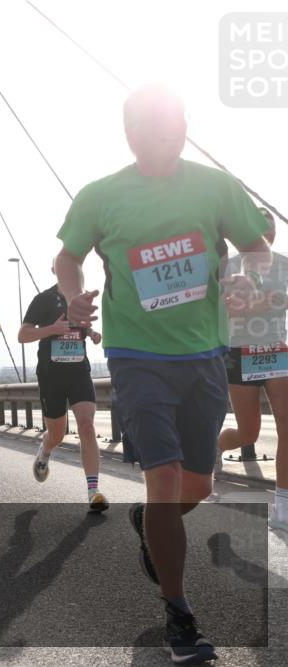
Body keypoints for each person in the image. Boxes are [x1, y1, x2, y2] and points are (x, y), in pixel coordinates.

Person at [55, 84, 271, 663]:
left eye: (178, 122)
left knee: (198, 485)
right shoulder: (101, 197)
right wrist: (72, 297)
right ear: (131, 134)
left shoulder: (215, 186)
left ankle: (151, 523)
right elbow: (66, 258)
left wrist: (249, 276)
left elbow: (257, 245)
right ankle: (179, 615)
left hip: (203, 354)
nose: (171, 133)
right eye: (157, 125)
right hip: (136, 356)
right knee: (167, 478)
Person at [219, 207, 288, 531]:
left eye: (271, 228)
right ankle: (214, 447)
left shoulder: (285, 265)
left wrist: (265, 302)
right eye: (260, 228)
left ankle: (283, 505)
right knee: (249, 433)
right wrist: (256, 304)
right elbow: (221, 313)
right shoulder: (228, 266)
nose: (266, 234)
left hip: (276, 350)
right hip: (241, 352)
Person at [19, 266, 108, 512]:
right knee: (57, 435)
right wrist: (51, 330)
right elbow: (22, 334)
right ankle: (45, 451)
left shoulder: (80, 300)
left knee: (87, 425)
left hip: (79, 372)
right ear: (56, 272)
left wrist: (91, 333)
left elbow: (79, 325)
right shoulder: (43, 299)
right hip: (51, 376)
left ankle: (93, 491)